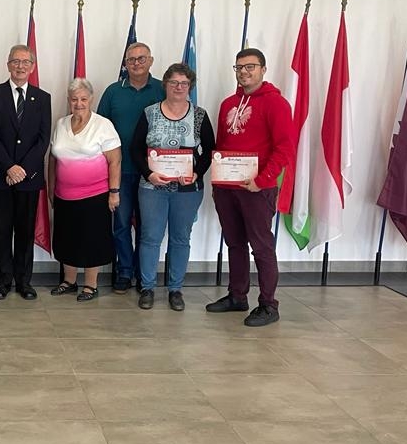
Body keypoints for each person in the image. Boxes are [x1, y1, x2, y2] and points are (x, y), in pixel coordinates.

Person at [207, 48, 295, 327]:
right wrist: (219, 179)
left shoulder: (276, 104)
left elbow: (284, 149)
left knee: (261, 246)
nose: (244, 72)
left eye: (250, 67)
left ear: (263, 69)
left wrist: (263, 180)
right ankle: (237, 295)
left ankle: (269, 303)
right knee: (234, 242)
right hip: (227, 188)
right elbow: (222, 146)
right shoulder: (227, 103)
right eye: (239, 67)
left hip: (257, 188)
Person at [130, 63, 216, 311]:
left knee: (181, 238)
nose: (179, 87)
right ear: (165, 84)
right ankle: (147, 287)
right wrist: (149, 173)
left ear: (190, 86)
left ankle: (175, 290)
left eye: (184, 83)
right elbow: (135, 149)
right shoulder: (150, 113)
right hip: (152, 187)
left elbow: (210, 150)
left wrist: (197, 172)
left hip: (188, 189)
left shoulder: (199, 115)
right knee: (149, 237)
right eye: (174, 82)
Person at [0, 44, 52, 300]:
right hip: (0, 177)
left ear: (32, 67)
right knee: (1, 232)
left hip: (29, 179)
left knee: (24, 232)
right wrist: (9, 167)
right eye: (15, 61)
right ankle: (3, 282)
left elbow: (43, 139)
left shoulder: (43, 98)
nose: (20, 66)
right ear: (8, 64)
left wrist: (23, 169)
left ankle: (24, 282)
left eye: (25, 62)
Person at [97, 42, 165, 293]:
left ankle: (144, 273)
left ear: (151, 60)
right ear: (125, 63)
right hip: (121, 171)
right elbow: (100, 130)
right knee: (122, 224)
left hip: (154, 172)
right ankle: (125, 272)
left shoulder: (162, 89)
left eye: (141, 58)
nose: (136, 63)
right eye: (131, 59)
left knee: (149, 227)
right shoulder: (113, 92)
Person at [48, 78, 121, 302]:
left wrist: (114, 191)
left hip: (95, 196)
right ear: (69, 101)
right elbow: (52, 159)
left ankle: (91, 285)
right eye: (74, 99)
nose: (78, 103)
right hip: (64, 195)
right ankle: (69, 281)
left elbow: (115, 161)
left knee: (92, 239)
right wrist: (51, 188)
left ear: (91, 99)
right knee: (67, 237)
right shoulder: (60, 124)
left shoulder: (103, 125)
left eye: (83, 99)